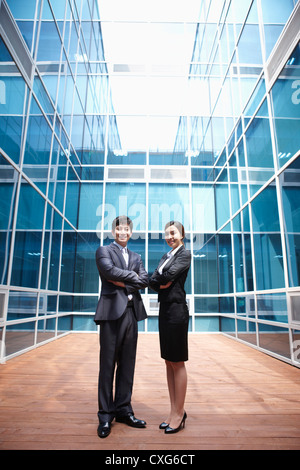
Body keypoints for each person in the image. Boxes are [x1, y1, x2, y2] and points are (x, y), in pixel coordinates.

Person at [94, 215, 149, 438]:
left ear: (131, 231)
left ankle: (124, 410)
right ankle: (105, 416)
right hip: (110, 315)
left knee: (128, 364)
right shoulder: (104, 251)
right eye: (119, 229)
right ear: (113, 231)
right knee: (108, 366)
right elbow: (108, 272)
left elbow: (145, 280)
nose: (123, 232)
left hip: (130, 313)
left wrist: (124, 281)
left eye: (126, 229)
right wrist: (132, 278)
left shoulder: (137, 256)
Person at [149, 221, 191, 434]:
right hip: (164, 311)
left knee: (177, 362)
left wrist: (160, 281)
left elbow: (164, 277)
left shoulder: (185, 254)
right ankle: (173, 410)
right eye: (166, 234)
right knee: (168, 361)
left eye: (173, 233)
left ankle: (180, 412)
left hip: (176, 311)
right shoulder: (166, 256)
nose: (169, 237)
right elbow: (154, 280)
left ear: (181, 234)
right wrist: (159, 281)